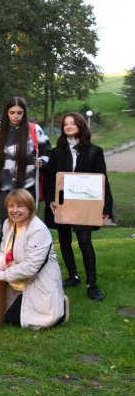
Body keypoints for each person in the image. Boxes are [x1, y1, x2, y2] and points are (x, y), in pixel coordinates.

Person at [43, 112, 114, 301]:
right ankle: (73, 276)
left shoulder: (94, 151)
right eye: (65, 124)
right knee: (64, 241)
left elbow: (102, 181)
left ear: (80, 126)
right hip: (63, 204)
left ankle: (92, 284)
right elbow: (50, 178)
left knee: (85, 241)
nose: (68, 126)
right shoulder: (56, 152)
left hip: (85, 205)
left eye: (72, 123)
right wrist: (51, 199)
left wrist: (106, 208)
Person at [0, 189, 68, 330]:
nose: (15, 210)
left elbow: (30, 268)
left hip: (35, 282)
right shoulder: (8, 224)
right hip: (15, 276)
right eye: (11, 206)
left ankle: (60, 306)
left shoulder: (38, 230)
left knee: (13, 321)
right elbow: (4, 251)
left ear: (29, 208)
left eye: (20, 206)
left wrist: (1, 275)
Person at [0, 96, 51, 240]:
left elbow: (48, 152)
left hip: (28, 187)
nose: (16, 116)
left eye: (19, 112)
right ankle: (4, 260)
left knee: (29, 229)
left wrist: (42, 161)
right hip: (5, 189)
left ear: (24, 113)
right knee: (8, 229)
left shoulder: (34, 130)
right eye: (12, 112)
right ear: (6, 113)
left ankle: (29, 260)